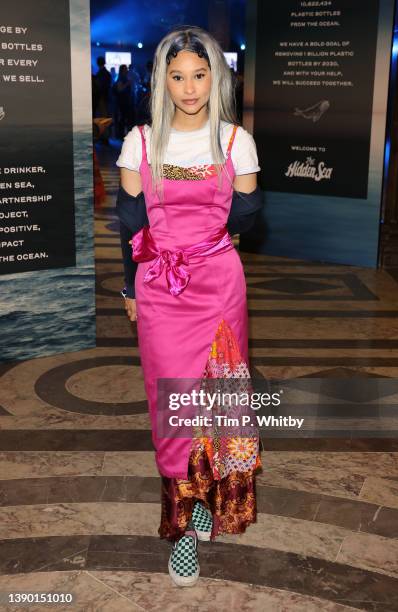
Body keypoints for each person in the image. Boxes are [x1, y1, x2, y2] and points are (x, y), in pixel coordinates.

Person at [116, 26, 262, 587]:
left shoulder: (235, 141)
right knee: (172, 405)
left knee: (216, 402)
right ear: (162, 79)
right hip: (160, 287)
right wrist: (130, 288)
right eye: (177, 76)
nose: (189, 87)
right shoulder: (140, 142)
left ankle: (204, 499)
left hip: (220, 285)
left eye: (199, 75)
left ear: (215, 76)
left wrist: (213, 236)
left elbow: (248, 216)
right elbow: (131, 226)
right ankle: (180, 528)